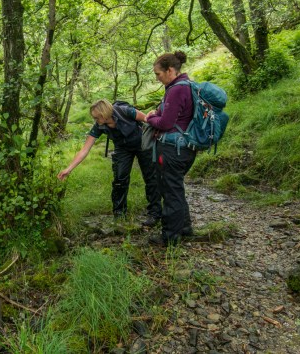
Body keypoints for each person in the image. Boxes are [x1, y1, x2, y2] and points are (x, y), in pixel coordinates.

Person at [58, 99, 161, 221]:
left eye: (97, 117)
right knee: (119, 179)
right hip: (122, 148)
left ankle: (155, 214)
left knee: (151, 177)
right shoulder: (99, 126)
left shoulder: (126, 111)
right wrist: (68, 169)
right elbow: (84, 150)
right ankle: (119, 214)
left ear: (104, 114)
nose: (95, 121)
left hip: (142, 144)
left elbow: (149, 121)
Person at [142, 51, 196, 246]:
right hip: (182, 148)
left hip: (174, 150)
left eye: (158, 74)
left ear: (170, 70)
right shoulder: (183, 86)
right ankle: (184, 227)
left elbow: (165, 123)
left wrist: (150, 118)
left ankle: (170, 237)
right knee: (175, 188)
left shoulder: (176, 90)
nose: (157, 78)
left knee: (170, 190)